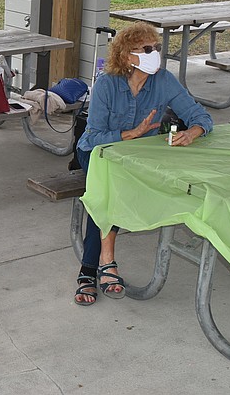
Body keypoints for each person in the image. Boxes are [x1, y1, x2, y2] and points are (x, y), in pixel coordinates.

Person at [73, 23, 212, 306]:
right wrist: (132, 134)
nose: (155, 55)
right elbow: (96, 137)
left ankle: (93, 269)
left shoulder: (164, 80)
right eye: (147, 49)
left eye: (157, 48)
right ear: (127, 56)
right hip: (98, 152)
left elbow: (200, 115)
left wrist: (192, 132)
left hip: (137, 156)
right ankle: (100, 265)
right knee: (108, 189)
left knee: (117, 189)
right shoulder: (106, 85)